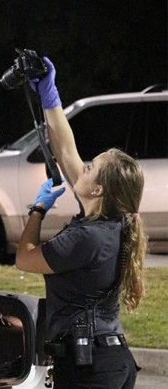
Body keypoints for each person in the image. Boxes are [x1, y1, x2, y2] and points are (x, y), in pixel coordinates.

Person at [15, 57, 147, 388]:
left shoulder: (87, 237)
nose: (82, 167)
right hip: (106, 360)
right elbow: (65, 151)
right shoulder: (109, 222)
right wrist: (50, 96)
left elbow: (25, 258)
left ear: (99, 190)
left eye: (90, 168)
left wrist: (38, 210)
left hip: (91, 368)